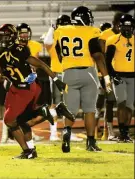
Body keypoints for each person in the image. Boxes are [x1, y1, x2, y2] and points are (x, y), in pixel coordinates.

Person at [0, 24, 71, 159]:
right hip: (18, 87)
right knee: (21, 121)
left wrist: (57, 80)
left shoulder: (18, 50)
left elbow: (40, 64)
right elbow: (4, 74)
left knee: (10, 121)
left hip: (25, 88)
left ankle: (51, 114)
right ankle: (31, 150)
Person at [55, 6, 112, 152]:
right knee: (89, 110)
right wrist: (106, 77)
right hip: (87, 73)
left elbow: (59, 53)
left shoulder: (61, 31)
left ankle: (67, 131)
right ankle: (91, 142)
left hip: (68, 73)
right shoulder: (90, 32)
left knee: (70, 110)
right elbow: (97, 55)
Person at [0, 23, 45, 143]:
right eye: (22, 33)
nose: (24, 35)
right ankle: (6, 135)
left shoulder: (34, 45)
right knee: (10, 109)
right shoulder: (12, 46)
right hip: (15, 82)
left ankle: (27, 134)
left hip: (31, 82)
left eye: (26, 33)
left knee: (28, 110)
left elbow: (37, 64)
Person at [43, 15, 83, 142]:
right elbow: (47, 42)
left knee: (70, 104)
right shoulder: (53, 36)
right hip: (57, 73)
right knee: (55, 104)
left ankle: (67, 131)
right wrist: (52, 28)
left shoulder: (69, 37)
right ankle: (53, 133)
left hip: (70, 72)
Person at [105, 14, 134, 143]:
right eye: (125, 26)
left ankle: (126, 133)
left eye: (129, 26)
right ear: (119, 27)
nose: (127, 29)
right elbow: (107, 61)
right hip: (119, 76)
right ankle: (122, 132)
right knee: (121, 103)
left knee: (130, 106)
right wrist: (113, 75)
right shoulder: (113, 40)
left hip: (133, 76)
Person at [98, 12, 125, 141]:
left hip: (122, 72)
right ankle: (109, 132)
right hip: (107, 73)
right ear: (115, 23)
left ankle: (120, 131)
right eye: (120, 24)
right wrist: (105, 75)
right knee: (109, 101)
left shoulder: (126, 35)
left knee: (122, 102)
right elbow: (102, 56)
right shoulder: (104, 35)